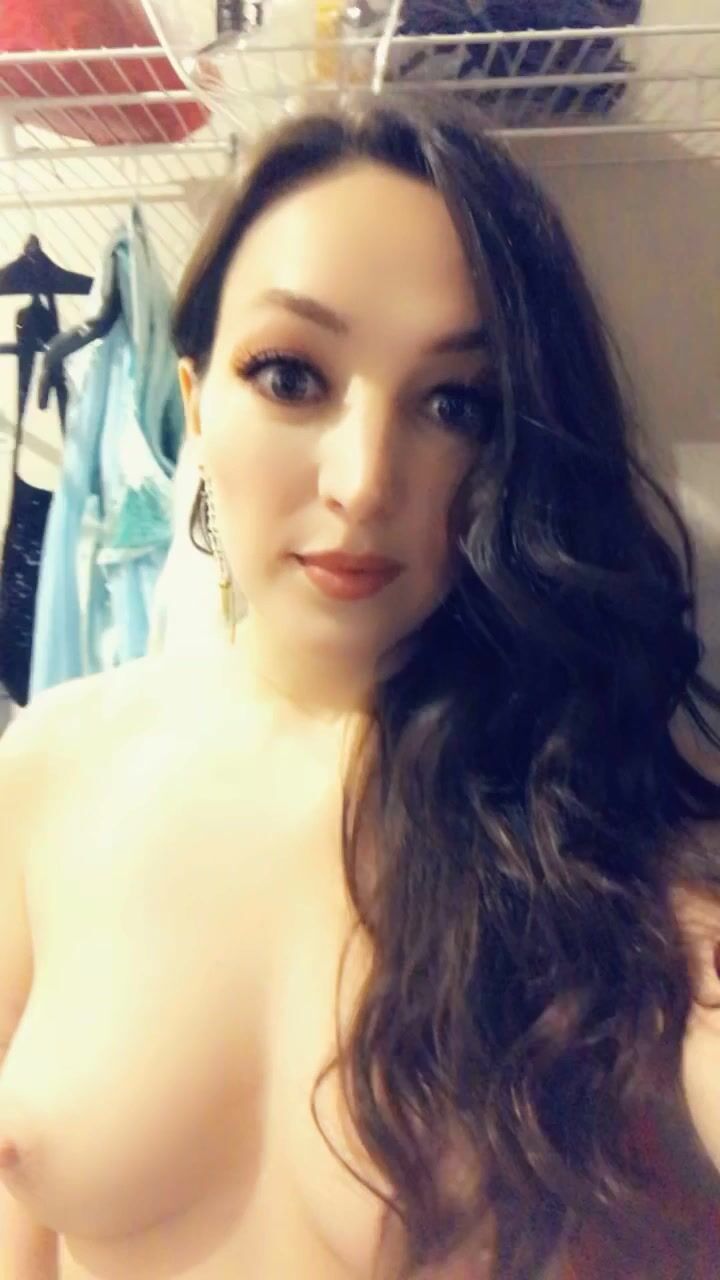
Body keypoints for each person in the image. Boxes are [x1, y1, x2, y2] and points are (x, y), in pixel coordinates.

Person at [0, 90, 719, 1280]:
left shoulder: (591, 823)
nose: (364, 479)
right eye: (291, 374)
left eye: (455, 403)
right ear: (195, 403)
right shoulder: (44, 773)